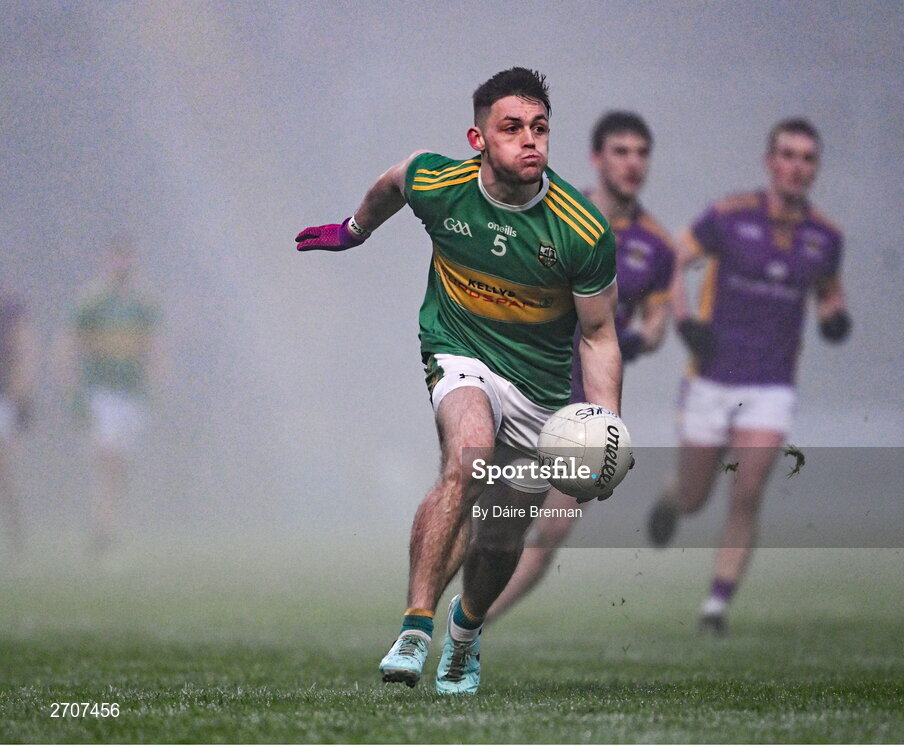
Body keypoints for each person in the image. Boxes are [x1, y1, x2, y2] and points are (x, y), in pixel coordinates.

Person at [295, 68, 622, 695]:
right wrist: (354, 231)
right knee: (468, 461)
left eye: (540, 128)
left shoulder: (582, 231)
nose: (530, 141)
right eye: (512, 128)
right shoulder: (440, 183)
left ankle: (464, 634)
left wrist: (601, 427)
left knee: (499, 533)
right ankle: (415, 630)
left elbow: (599, 334)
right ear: (478, 138)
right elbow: (395, 182)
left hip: (540, 388)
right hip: (458, 350)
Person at [647, 118, 851, 634]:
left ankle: (715, 605)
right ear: (769, 162)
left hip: (771, 384)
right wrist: (685, 321)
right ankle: (672, 498)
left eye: (807, 158)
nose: (797, 167)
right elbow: (672, 258)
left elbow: (829, 289)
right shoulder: (729, 217)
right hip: (711, 377)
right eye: (788, 154)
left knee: (748, 489)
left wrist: (834, 316)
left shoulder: (825, 237)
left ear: (815, 169)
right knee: (695, 498)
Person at [486, 111, 675, 620]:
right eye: (621, 151)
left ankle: (469, 629)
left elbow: (656, 321)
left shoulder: (657, 246)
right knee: (498, 517)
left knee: (553, 528)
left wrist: (649, 333)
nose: (633, 163)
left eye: (641, 153)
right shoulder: (555, 212)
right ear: (597, 158)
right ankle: (429, 614)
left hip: (590, 401)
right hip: (527, 384)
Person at [57, 239, 162, 554]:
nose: (122, 266)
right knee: (108, 461)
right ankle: (102, 530)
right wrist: (72, 389)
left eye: (126, 259)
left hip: (132, 394)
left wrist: (154, 386)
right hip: (102, 393)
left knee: (119, 465)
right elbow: (69, 343)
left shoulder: (143, 303)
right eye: (117, 259)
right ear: (108, 262)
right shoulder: (92, 302)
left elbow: (155, 347)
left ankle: (107, 521)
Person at [0, 286, 36, 554]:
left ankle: (16, 530)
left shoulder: (10, 307)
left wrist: (22, 395)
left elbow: (24, 349)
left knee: (3, 468)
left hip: (4, 396)